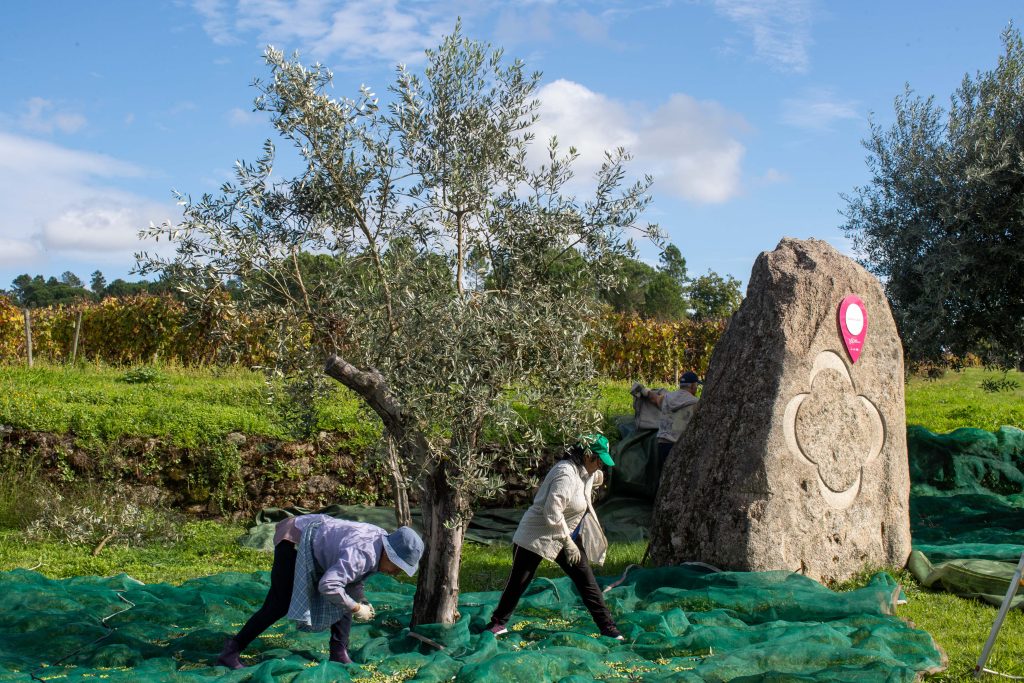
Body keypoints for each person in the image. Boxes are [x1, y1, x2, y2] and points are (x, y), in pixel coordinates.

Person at [216, 515, 424, 669]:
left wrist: (361, 600)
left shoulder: (379, 545)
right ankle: (231, 650)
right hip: (295, 541)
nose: (396, 572)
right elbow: (329, 585)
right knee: (279, 603)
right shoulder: (363, 553)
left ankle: (338, 652)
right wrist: (355, 606)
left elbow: (352, 581)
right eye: (397, 565)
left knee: (346, 597)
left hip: (318, 542)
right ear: (389, 552)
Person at [483, 434, 623, 640]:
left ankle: (608, 628)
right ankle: (498, 624)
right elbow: (552, 512)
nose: (600, 466)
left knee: (587, 582)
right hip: (537, 535)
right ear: (587, 455)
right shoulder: (565, 473)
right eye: (599, 460)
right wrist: (568, 543)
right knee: (519, 582)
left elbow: (594, 479)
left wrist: (569, 540)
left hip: (567, 534)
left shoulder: (589, 471)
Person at [631, 371, 701, 466]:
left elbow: (654, 399)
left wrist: (644, 391)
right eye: (696, 385)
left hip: (662, 444)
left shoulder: (667, 398)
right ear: (693, 386)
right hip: (680, 445)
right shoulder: (696, 403)